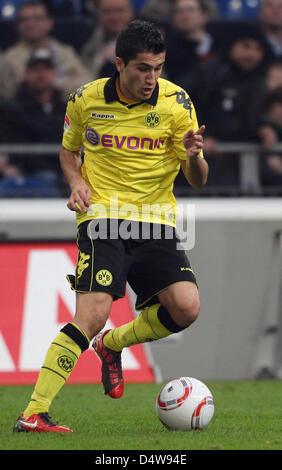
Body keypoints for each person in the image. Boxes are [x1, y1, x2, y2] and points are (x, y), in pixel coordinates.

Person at [13, 19, 208, 433]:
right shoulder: (84, 100)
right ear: (119, 64)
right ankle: (34, 412)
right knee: (94, 311)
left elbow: (197, 179)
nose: (151, 78)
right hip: (102, 216)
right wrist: (77, 181)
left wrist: (193, 156)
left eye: (158, 68)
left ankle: (112, 345)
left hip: (156, 220)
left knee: (187, 308)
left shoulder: (178, 103)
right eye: (142, 68)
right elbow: (69, 152)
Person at [0, 48, 66, 196]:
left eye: (46, 69)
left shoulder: (67, 109)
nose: (40, 74)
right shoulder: (10, 109)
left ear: (54, 73)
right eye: (35, 69)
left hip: (60, 175)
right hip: (20, 173)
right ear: (26, 73)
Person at [0, 0, 92, 101]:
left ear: (49, 23)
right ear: (17, 25)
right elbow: (8, 95)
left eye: (37, 18)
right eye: (24, 20)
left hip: (65, 110)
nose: (31, 24)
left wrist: (54, 82)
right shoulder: (8, 59)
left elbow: (87, 85)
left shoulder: (65, 52)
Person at [164, 0, 217, 84]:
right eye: (179, 11)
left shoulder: (220, 45)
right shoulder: (166, 51)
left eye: (190, 10)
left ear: (203, 15)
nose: (185, 16)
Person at [81, 0, 134, 79]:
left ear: (131, 13)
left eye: (120, 11)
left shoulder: (147, 39)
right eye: (108, 12)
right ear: (99, 15)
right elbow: (83, 75)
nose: (114, 17)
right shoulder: (91, 41)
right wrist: (100, 60)